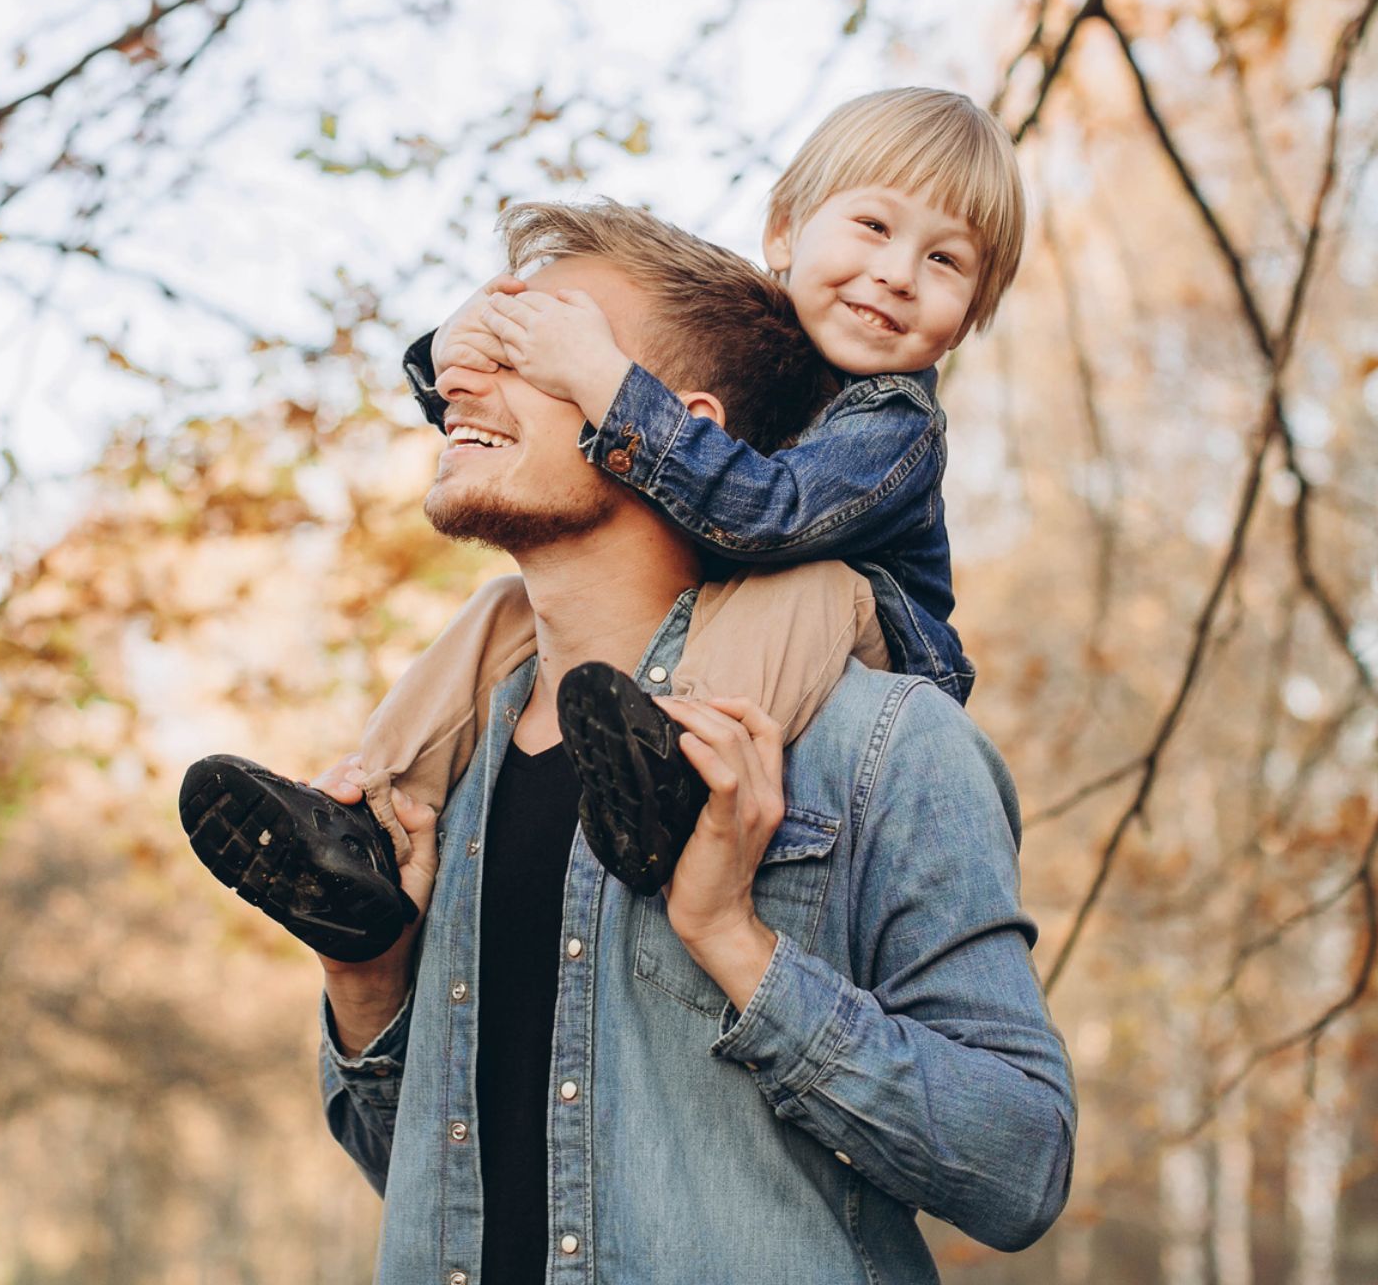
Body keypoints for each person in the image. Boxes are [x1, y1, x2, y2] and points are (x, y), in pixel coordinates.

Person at [279, 200, 1072, 1281]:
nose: (461, 382)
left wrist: (732, 939)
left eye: (532, 352)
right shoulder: (451, 772)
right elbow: (434, 1177)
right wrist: (365, 980)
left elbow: (1019, 1167)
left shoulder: (881, 745)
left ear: (671, 423)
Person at [181, 87, 1025, 955]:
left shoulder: (895, 422)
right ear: (785, 232)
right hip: (736, 602)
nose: (897, 274)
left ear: (969, 318)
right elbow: (519, 423)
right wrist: (452, 354)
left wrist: (610, 385)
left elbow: (770, 519)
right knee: (499, 610)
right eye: (875, 227)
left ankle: (682, 779)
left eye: (947, 262)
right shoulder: (758, 350)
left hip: (861, 619)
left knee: (814, 585)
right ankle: (370, 820)